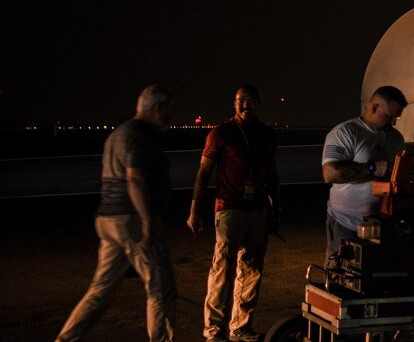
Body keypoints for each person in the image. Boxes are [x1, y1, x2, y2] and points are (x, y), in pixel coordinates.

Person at [56, 85, 177, 342]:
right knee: (161, 287)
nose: (170, 116)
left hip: (108, 219)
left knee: (100, 290)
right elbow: (134, 179)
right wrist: (147, 221)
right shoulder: (140, 135)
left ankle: (66, 339)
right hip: (131, 218)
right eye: (168, 110)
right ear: (157, 109)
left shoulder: (118, 133)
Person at [187, 84, 281, 342]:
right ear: (234, 104)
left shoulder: (266, 134)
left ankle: (241, 328)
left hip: (259, 210)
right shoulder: (221, 133)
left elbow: (272, 174)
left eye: (250, 100)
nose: (245, 104)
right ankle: (214, 331)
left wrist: (276, 209)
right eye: (240, 100)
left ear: (258, 103)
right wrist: (194, 211)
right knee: (222, 270)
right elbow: (203, 173)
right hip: (229, 209)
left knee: (252, 272)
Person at [322, 85, 407, 261]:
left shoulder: (396, 138)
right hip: (345, 223)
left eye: (396, 118)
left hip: (381, 225)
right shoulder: (345, 133)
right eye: (390, 116)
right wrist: (372, 168)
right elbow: (329, 173)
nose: (393, 123)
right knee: (342, 276)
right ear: (375, 107)